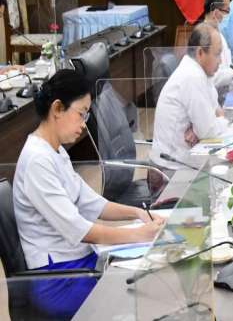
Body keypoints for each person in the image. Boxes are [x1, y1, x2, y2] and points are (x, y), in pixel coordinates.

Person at [13, 69, 164, 318]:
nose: (84, 124)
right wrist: (138, 234)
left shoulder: (55, 151)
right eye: (81, 114)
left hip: (80, 261)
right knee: (132, 297)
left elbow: (92, 203)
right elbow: (79, 229)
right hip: (59, 277)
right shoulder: (37, 161)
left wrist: (138, 214)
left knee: (148, 280)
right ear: (57, 108)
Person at [151, 23, 229, 170]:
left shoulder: (199, 71)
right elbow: (209, 131)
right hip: (170, 170)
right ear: (200, 53)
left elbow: (216, 110)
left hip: (183, 160)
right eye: (217, 54)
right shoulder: (192, 76)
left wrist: (200, 129)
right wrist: (220, 122)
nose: (220, 61)